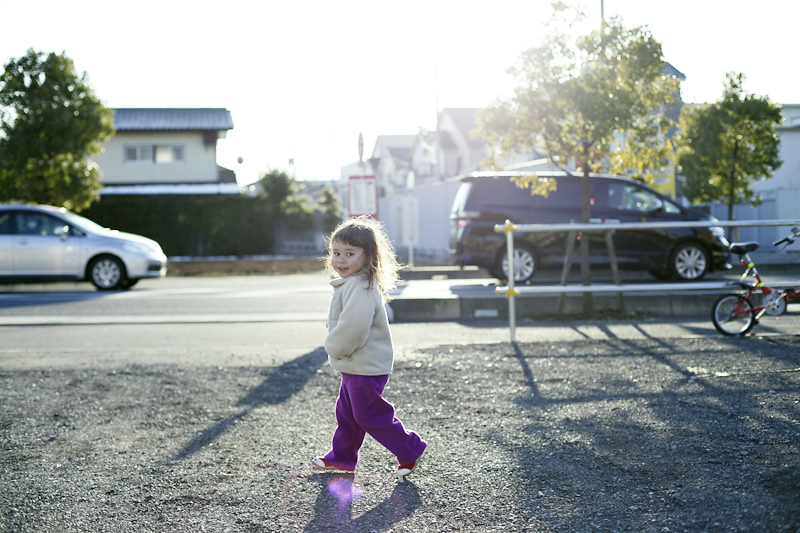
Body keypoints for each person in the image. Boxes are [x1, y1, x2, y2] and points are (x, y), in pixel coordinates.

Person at [312, 216, 427, 480]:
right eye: (336, 253)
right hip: (356, 364)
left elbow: (354, 328)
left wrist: (333, 346)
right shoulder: (352, 282)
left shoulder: (360, 286)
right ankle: (342, 457)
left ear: (368, 256)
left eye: (350, 253)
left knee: (368, 414)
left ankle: (410, 448)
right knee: (348, 414)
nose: (341, 259)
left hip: (365, 365)